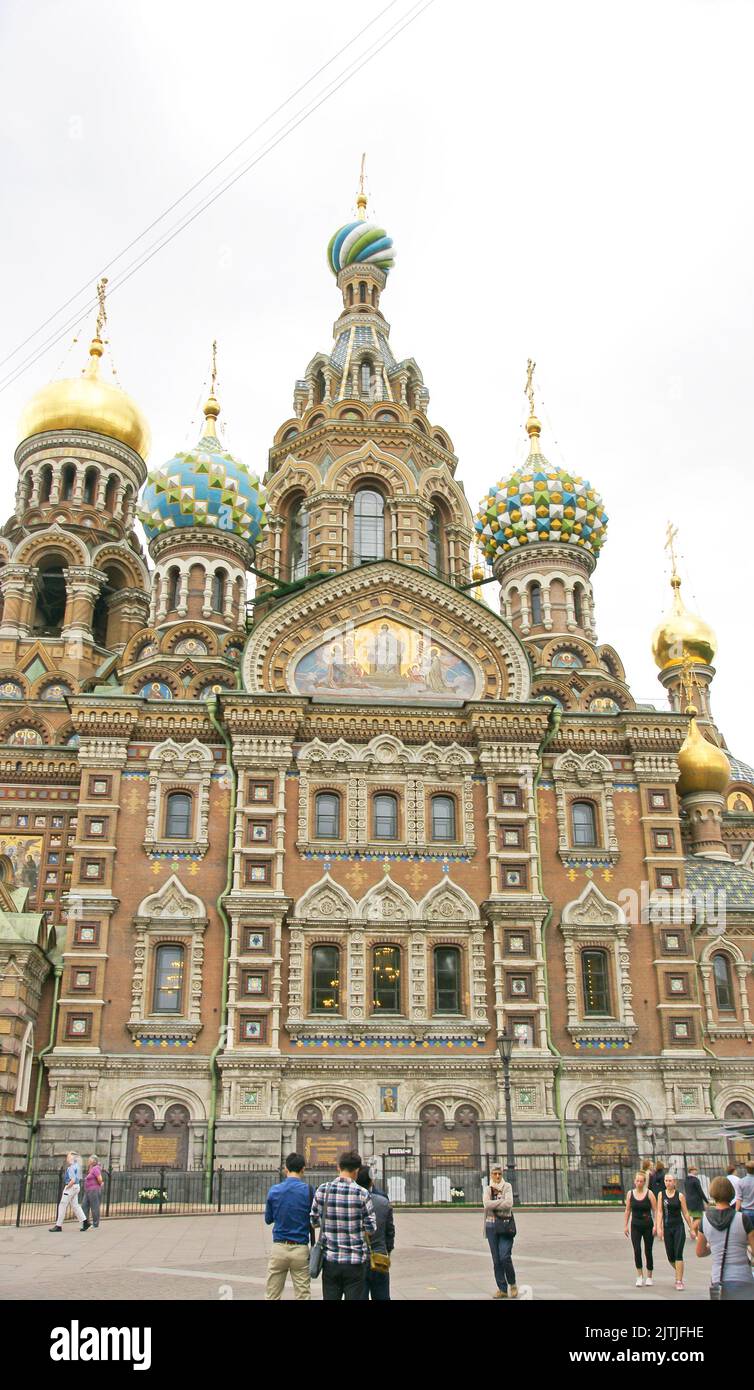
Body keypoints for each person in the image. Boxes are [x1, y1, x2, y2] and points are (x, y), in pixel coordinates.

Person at [310, 1150, 376, 1301]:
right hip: (355, 1261)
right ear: (357, 1171)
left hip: (330, 1260)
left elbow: (313, 1222)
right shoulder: (362, 1193)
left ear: (338, 1167)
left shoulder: (323, 1190)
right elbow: (371, 1228)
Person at [264, 1152, 315, 1301]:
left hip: (279, 1248)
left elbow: (268, 1219)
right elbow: (314, 1219)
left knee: (272, 1295)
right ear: (303, 1169)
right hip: (300, 1249)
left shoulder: (274, 1190)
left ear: (286, 1169)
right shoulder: (310, 1191)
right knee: (303, 1295)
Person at [696, 1175, 754, 1301]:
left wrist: (714, 1246)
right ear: (731, 1193)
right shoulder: (742, 1218)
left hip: (719, 1279)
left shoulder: (704, 1220)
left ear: (712, 1193)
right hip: (743, 1278)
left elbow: (700, 1252)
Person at [356, 1166, 395, 1300]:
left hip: (358, 1257)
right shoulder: (383, 1202)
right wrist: (387, 1251)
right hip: (379, 1256)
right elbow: (390, 1231)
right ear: (372, 1181)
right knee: (382, 1295)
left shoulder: (351, 1201)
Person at [483, 1163, 517, 1300]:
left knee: (505, 1257)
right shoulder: (487, 1189)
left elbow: (509, 1204)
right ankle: (502, 1289)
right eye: (495, 1174)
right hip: (491, 1227)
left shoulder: (507, 1186)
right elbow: (486, 1205)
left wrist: (494, 1203)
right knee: (496, 1260)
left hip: (505, 1226)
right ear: (491, 1174)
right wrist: (500, 1201)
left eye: (499, 1174)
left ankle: (512, 1284)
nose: (497, 1176)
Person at [656, 1172, 694, 1289]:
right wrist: (658, 1227)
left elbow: (686, 1213)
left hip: (678, 1227)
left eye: (670, 1181)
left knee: (678, 1253)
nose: (668, 1183)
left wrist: (691, 1228)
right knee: (670, 1256)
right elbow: (660, 1212)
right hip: (667, 1228)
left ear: (674, 1182)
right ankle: (679, 1270)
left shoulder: (680, 1196)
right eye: (666, 1181)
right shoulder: (661, 1195)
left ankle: (679, 1280)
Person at [624, 1168, 657, 1286]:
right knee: (637, 1250)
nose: (639, 1183)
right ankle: (639, 1275)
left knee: (648, 1250)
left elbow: (656, 1210)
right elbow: (627, 1210)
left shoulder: (649, 1193)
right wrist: (625, 1226)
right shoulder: (630, 1194)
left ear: (644, 1182)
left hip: (648, 1225)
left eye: (641, 1181)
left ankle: (649, 1276)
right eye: (637, 1181)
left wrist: (657, 1225)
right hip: (635, 1225)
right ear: (634, 1182)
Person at [49, 1152, 85, 1232]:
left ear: (72, 1158)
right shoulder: (78, 1166)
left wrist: (67, 1187)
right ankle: (85, 1222)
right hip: (77, 1186)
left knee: (62, 1205)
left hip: (71, 1187)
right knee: (75, 1205)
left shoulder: (71, 1167)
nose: (67, 1159)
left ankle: (58, 1225)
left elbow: (72, 1180)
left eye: (68, 1157)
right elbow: (78, 1178)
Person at [80, 1154, 104, 1231]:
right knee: (84, 1206)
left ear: (93, 1161)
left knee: (95, 1207)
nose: (88, 1161)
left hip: (94, 1190)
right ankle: (86, 1223)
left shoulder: (96, 1168)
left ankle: (95, 1223)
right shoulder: (91, 1168)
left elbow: (100, 1178)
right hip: (88, 1190)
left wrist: (100, 1184)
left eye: (89, 1160)